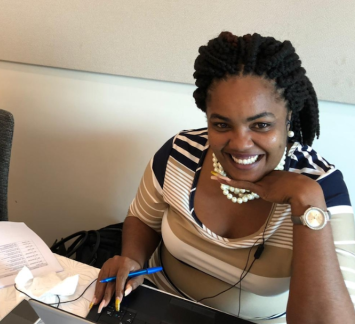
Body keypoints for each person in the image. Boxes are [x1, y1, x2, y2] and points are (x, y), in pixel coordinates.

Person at [92, 32, 355, 323]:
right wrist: (133, 258)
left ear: (288, 117)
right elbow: (143, 219)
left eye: (261, 125)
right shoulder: (180, 153)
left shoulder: (322, 187)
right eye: (221, 124)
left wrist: (306, 202)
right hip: (160, 304)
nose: (241, 144)